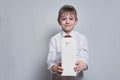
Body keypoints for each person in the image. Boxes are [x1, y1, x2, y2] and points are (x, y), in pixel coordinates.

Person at [47, 4, 88, 80]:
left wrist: (83, 65)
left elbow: (84, 57)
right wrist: (55, 67)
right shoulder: (54, 39)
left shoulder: (82, 38)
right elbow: (50, 61)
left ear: (76, 21)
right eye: (63, 19)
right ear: (59, 21)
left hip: (77, 77)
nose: (67, 22)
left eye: (71, 19)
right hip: (59, 78)